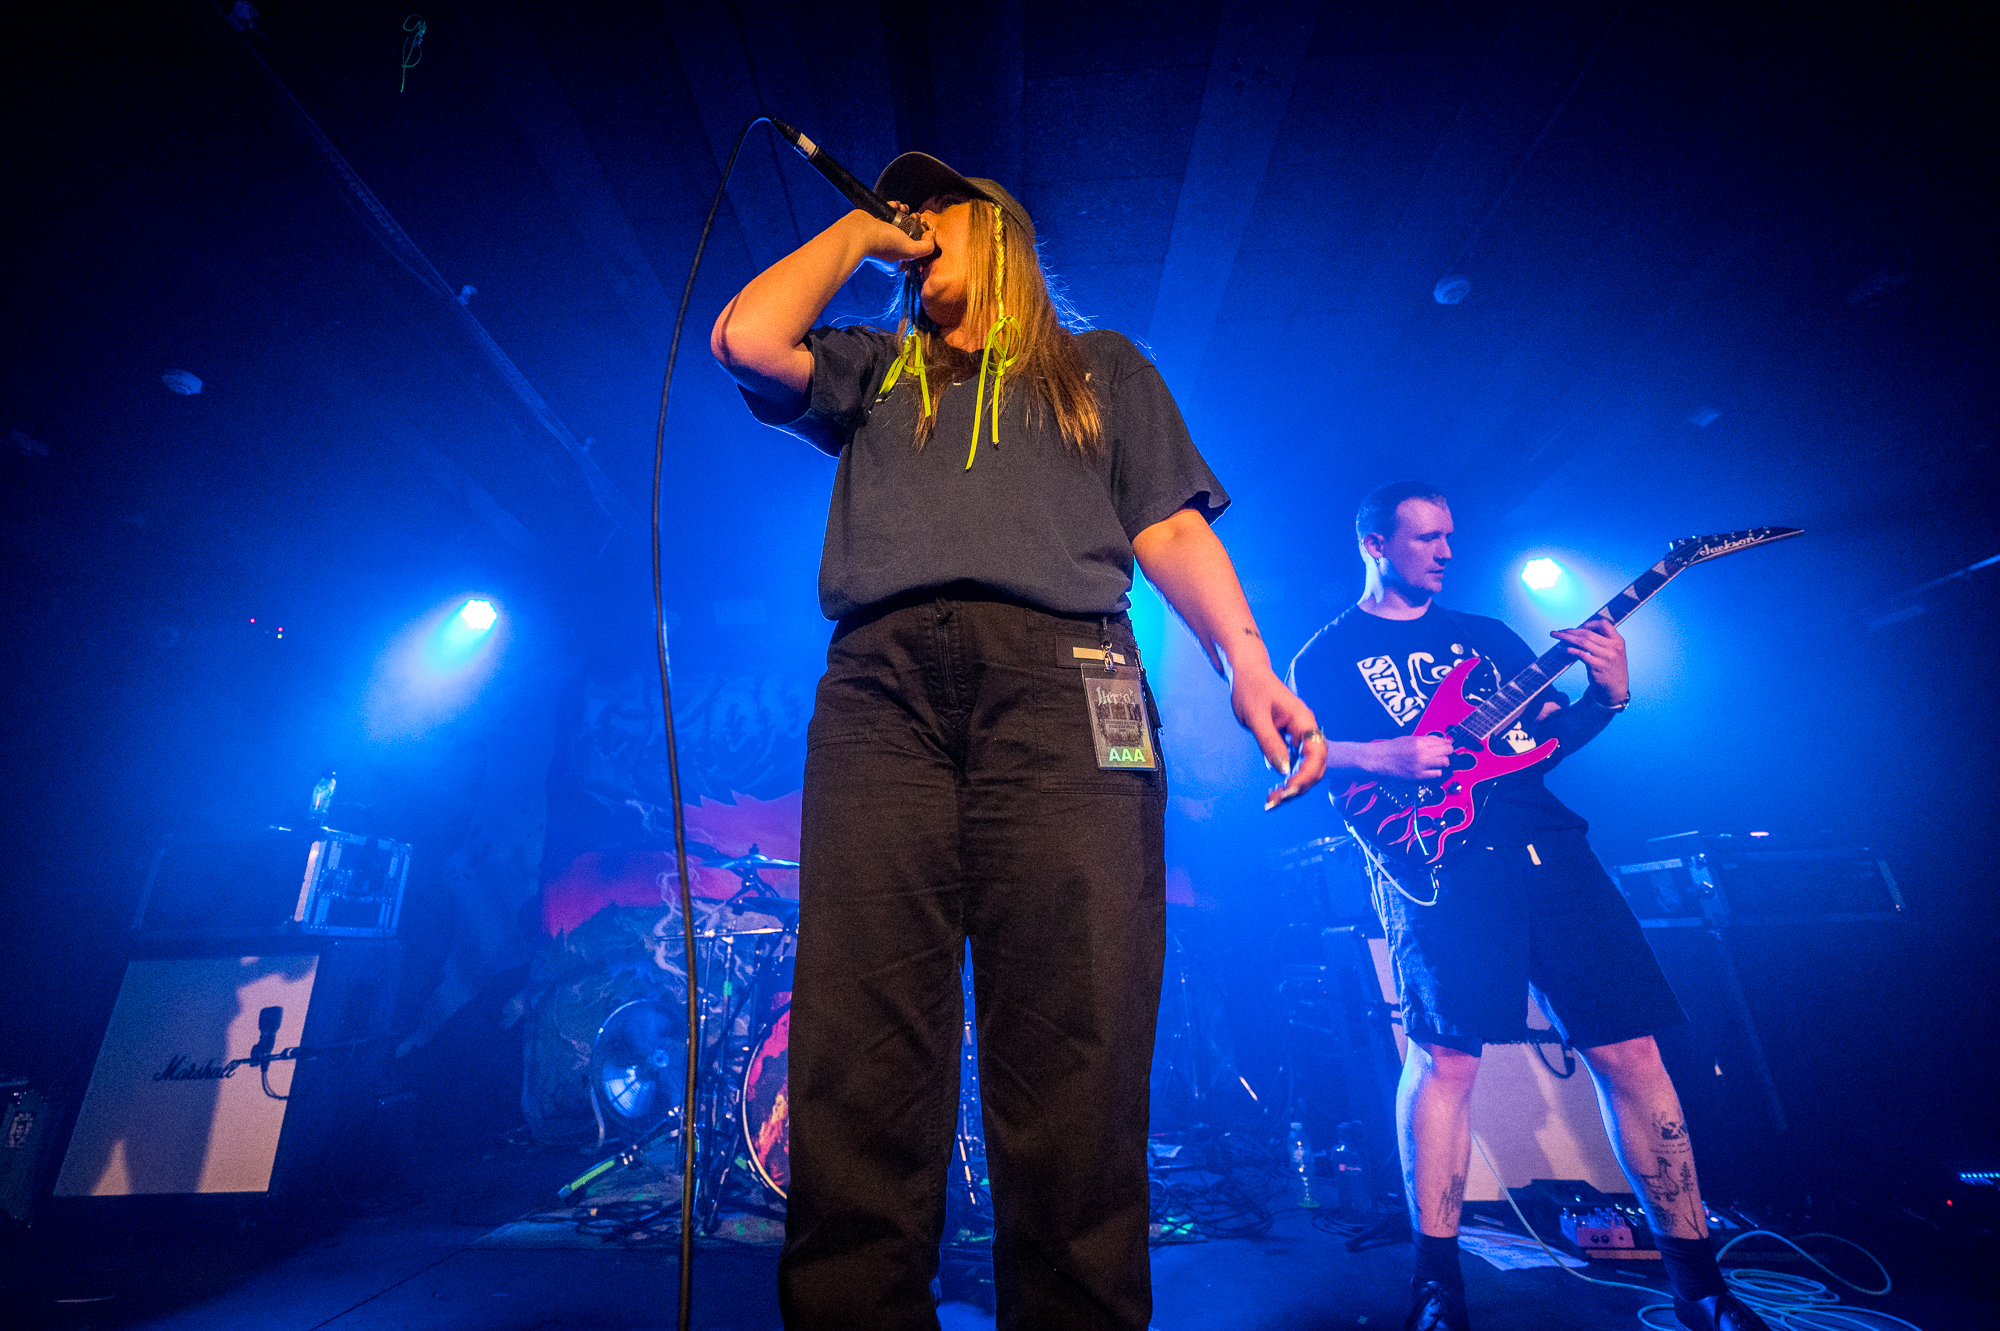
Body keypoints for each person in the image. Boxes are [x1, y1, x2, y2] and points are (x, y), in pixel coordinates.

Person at [711, 152, 1327, 1331]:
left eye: (933, 206)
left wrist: (1246, 662)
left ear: (999, 232)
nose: (912, 219)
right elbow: (745, 339)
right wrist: (858, 235)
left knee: (1073, 1026)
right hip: (881, 690)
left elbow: (1168, 528)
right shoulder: (876, 367)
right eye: (901, 209)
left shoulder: (1100, 368)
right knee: (858, 1030)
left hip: (1068, 681)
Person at [1284, 482, 1772, 1331]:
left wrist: (1607, 696)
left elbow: (1543, 743)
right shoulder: (1328, 654)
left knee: (1632, 1050)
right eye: (1426, 537)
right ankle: (1437, 1288)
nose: (1445, 550)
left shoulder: (1485, 637)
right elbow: (1297, 755)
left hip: (1550, 849)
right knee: (1446, 1059)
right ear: (1374, 543)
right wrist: (1383, 754)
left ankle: (1700, 1286)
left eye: (1450, 536)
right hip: (1440, 867)